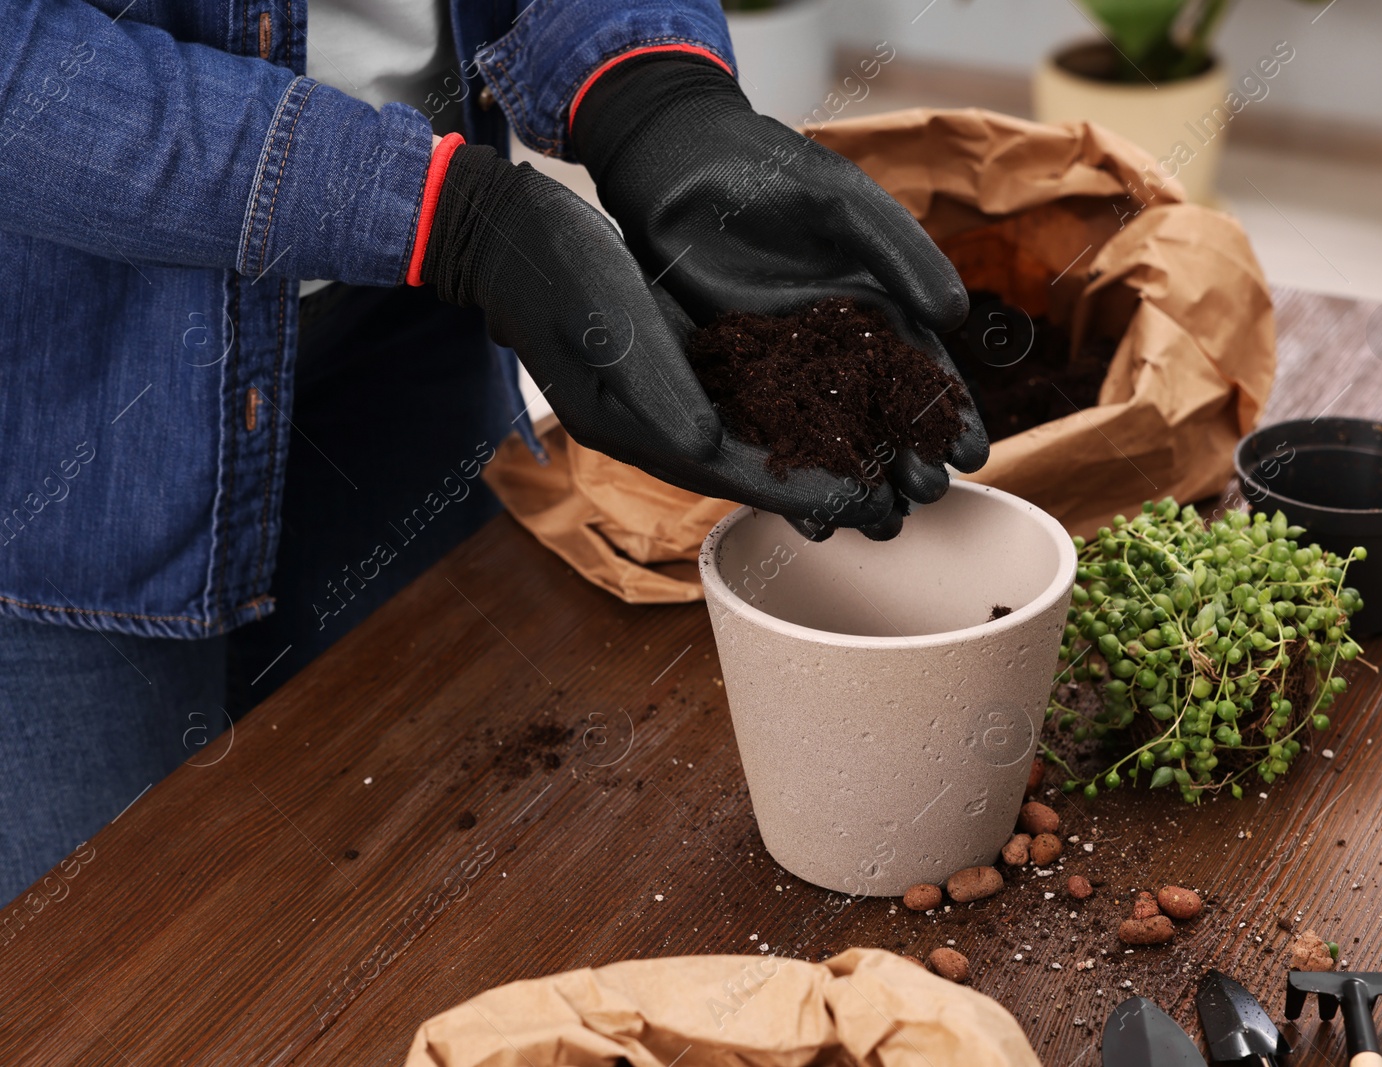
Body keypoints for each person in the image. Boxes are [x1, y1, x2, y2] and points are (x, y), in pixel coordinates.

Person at [0, 0, 987, 903]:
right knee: (108, 948)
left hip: (405, 331)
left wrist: (651, 88)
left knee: (427, 856)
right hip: (66, 419)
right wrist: (439, 213)